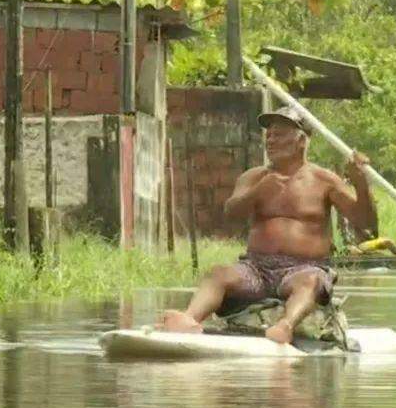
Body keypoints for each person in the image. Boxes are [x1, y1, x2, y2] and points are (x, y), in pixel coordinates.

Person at [161, 105, 377, 344]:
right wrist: (257, 192)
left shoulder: (324, 180)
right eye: (269, 135)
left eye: (279, 134)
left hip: (303, 268)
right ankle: (189, 319)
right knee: (218, 273)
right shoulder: (253, 177)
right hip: (256, 268)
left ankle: (285, 326)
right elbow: (230, 215)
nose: (270, 140)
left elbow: (365, 222)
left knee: (311, 281)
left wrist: (361, 185)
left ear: (301, 141)